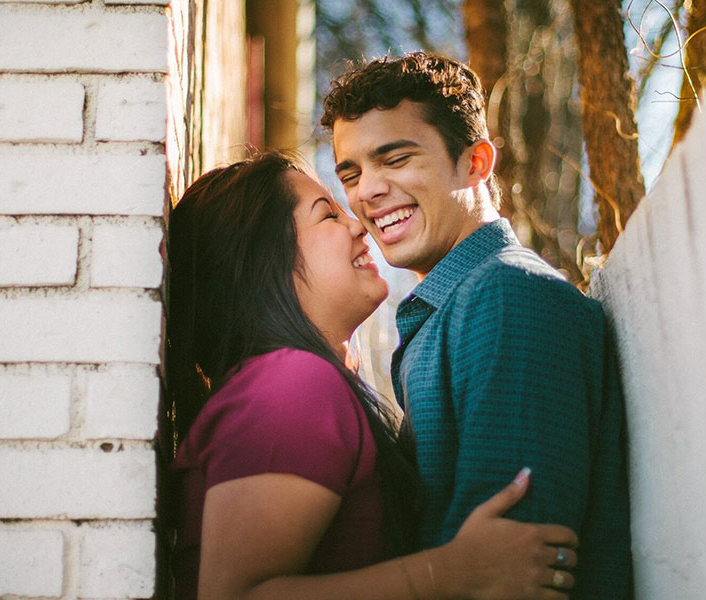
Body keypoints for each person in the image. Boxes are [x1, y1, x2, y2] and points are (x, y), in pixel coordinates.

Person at [167, 150, 581, 600]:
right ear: (263, 259)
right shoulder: (291, 383)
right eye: (327, 215)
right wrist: (452, 573)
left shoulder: (284, 384)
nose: (358, 225)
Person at [321, 51, 632, 599]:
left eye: (394, 158)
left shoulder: (508, 298)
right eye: (352, 172)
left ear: (476, 163)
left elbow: (511, 570)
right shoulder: (452, 309)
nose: (366, 190)